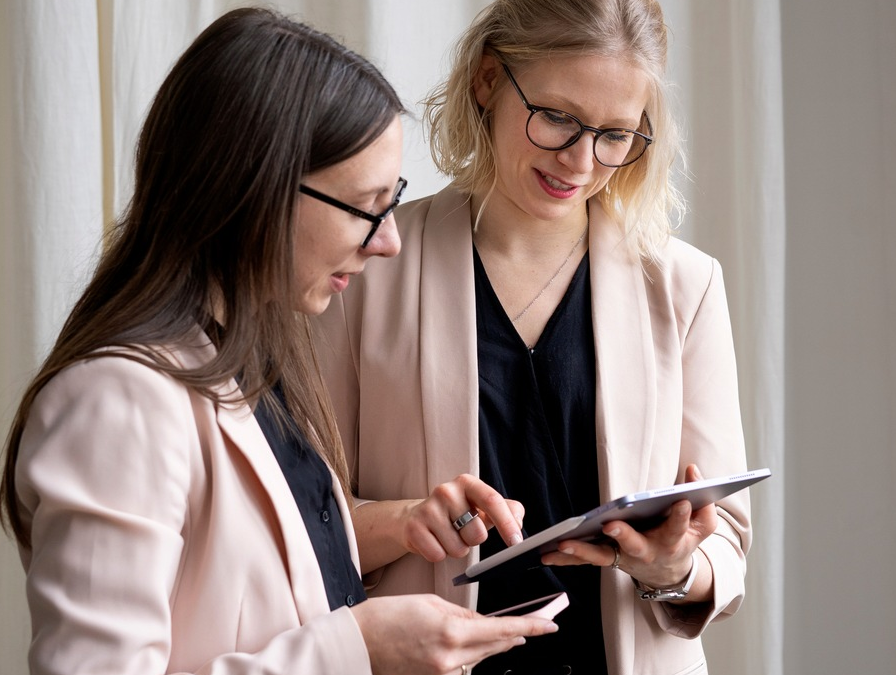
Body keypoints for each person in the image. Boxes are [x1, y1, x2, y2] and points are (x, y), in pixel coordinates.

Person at [0, 8, 557, 675]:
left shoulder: (257, 358)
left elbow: (270, 579)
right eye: (367, 205)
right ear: (253, 189)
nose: (389, 240)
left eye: (394, 199)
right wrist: (358, 648)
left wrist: (402, 523)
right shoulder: (116, 402)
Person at [314, 1, 754, 673]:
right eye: (556, 118)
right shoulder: (366, 269)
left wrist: (674, 566)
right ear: (488, 79)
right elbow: (304, 520)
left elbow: (726, 542)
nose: (580, 160)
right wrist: (406, 520)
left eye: (616, 134)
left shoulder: (685, 286)